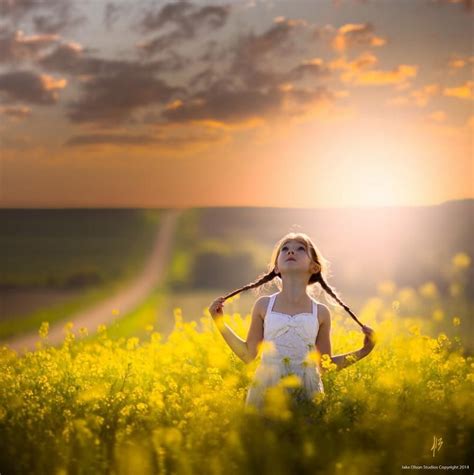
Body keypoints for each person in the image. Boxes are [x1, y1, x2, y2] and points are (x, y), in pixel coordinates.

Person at [208, 232, 377, 412]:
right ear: (276, 268)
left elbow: (325, 366)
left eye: (300, 249)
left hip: (307, 390)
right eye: (285, 249)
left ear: (314, 267)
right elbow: (248, 355)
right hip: (267, 390)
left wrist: (364, 350)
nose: (291, 252)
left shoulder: (321, 312)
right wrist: (219, 322)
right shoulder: (264, 305)